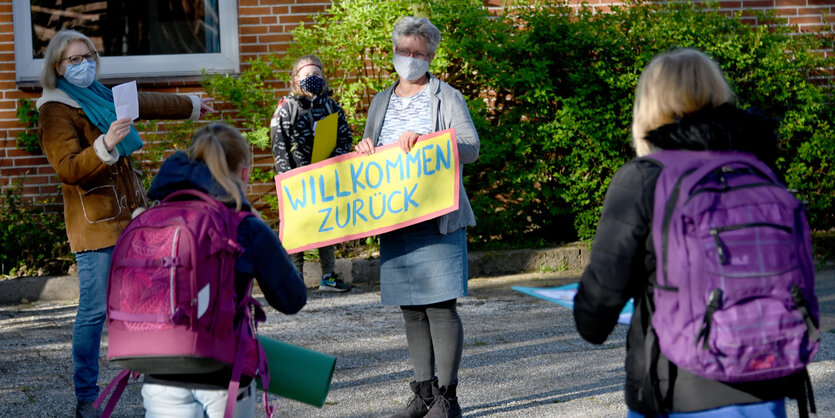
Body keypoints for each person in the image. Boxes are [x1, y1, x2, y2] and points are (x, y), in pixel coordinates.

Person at [573, 48, 807, 417]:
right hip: (766, 382)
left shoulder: (644, 178)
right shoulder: (759, 169)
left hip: (677, 391)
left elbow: (595, 315)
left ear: (649, 106)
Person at [35, 29, 212, 418]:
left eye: (88, 57)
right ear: (57, 67)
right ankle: (87, 397)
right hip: (96, 226)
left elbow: (143, 103)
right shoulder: (55, 111)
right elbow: (68, 168)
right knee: (95, 310)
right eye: (73, 60)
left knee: (146, 301)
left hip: (131, 217)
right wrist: (106, 145)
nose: (82, 66)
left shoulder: (99, 95)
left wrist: (192, 105)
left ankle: (162, 379)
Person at [355, 16, 480, 418]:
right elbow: (372, 154)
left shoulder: (447, 97)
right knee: (410, 308)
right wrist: (364, 149)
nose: (409, 59)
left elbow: (471, 147)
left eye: (418, 53)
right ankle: (423, 393)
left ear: (430, 56)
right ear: (394, 52)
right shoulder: (380, 101)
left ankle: (448, 397)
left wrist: (429, 142)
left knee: (441, 307)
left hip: (437, 217)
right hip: (394, 219)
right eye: (403, 51)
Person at [140, 123, 308, 417]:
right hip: (223, 372)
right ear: (244, 172)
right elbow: (293, 299)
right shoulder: (245, 226)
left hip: (159, 368)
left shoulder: (154, 216)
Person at [270, 54, 354, 292]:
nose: (313, 79)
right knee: (297, 226)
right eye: (307, 75)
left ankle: (328, 275)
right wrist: (287, 178)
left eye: (317, 74)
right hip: (295, 179)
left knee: (327, 223)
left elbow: (345, 137)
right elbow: (279, 146)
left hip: (325, 176)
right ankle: (295, 276)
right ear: (296, 79)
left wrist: (335, 158)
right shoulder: (286, 109)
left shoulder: (331, 106)